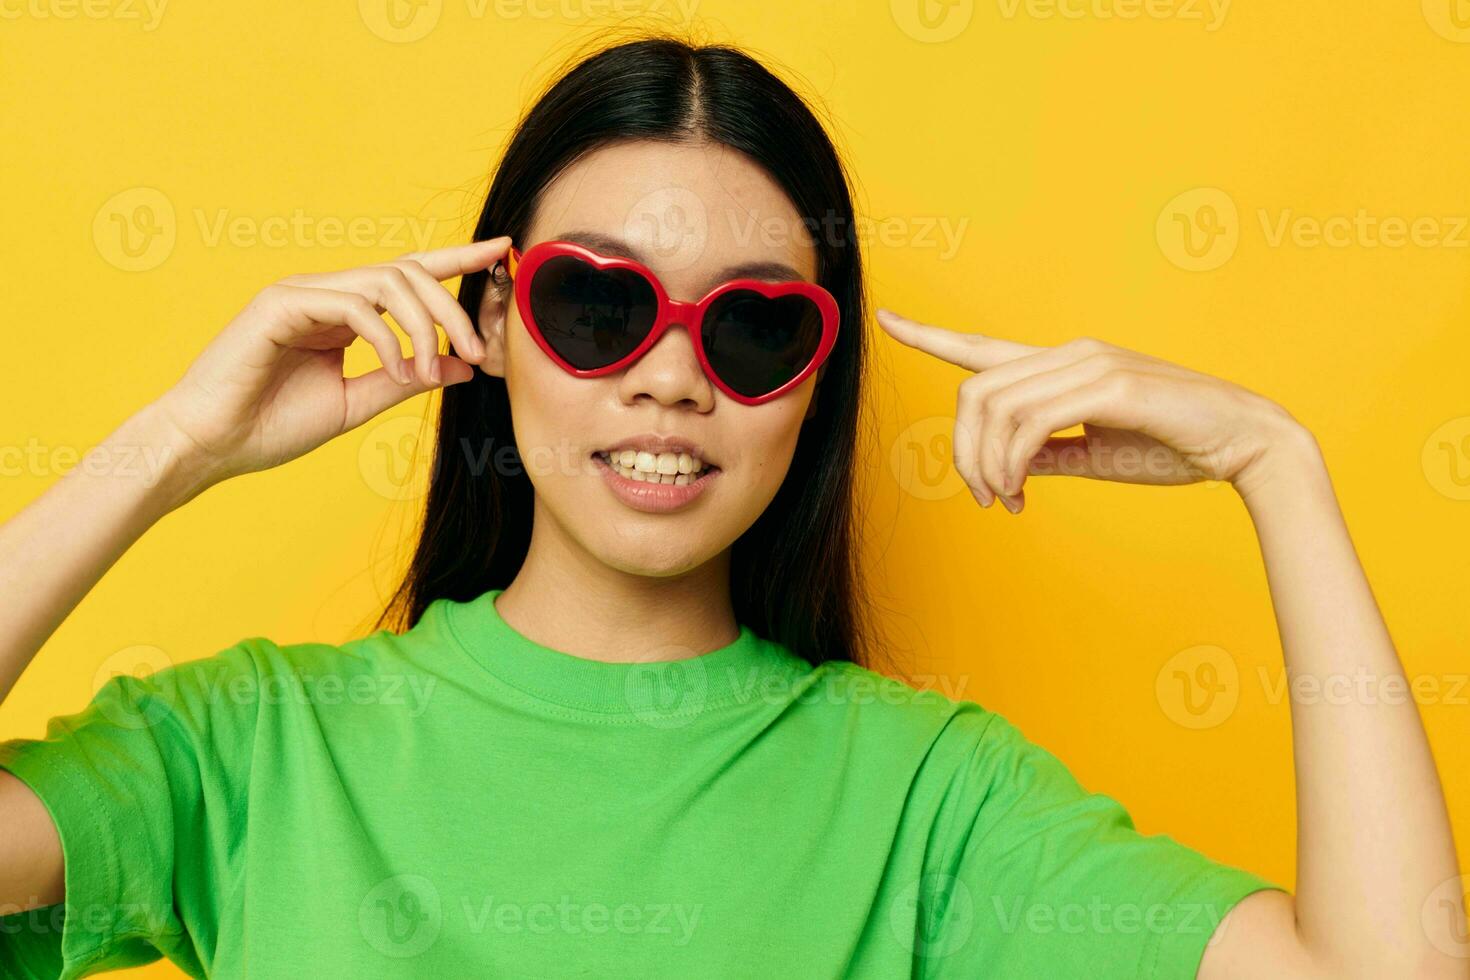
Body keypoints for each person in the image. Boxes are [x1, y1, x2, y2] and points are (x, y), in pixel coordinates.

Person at [0, 35, 1462, 980]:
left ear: (812, 380)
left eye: (753, 328)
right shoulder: (254, 747)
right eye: (596, 303)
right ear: (494, 324)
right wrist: (174, 445)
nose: (671, 379)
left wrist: (1278, 465)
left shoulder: (922, 797)